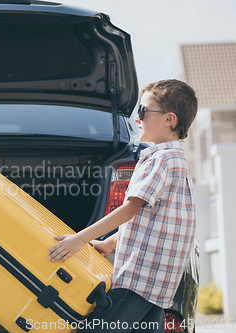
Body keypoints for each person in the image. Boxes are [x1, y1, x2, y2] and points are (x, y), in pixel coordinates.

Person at [48, 79, 197, 332]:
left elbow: (130, 209)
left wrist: (80, 238)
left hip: (138, 279)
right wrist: (109, 243)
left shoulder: (158, 160)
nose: (136, 118)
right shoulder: (178, 160)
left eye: (143, 110)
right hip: (159, 282)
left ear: (168, 119)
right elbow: (151, 219)